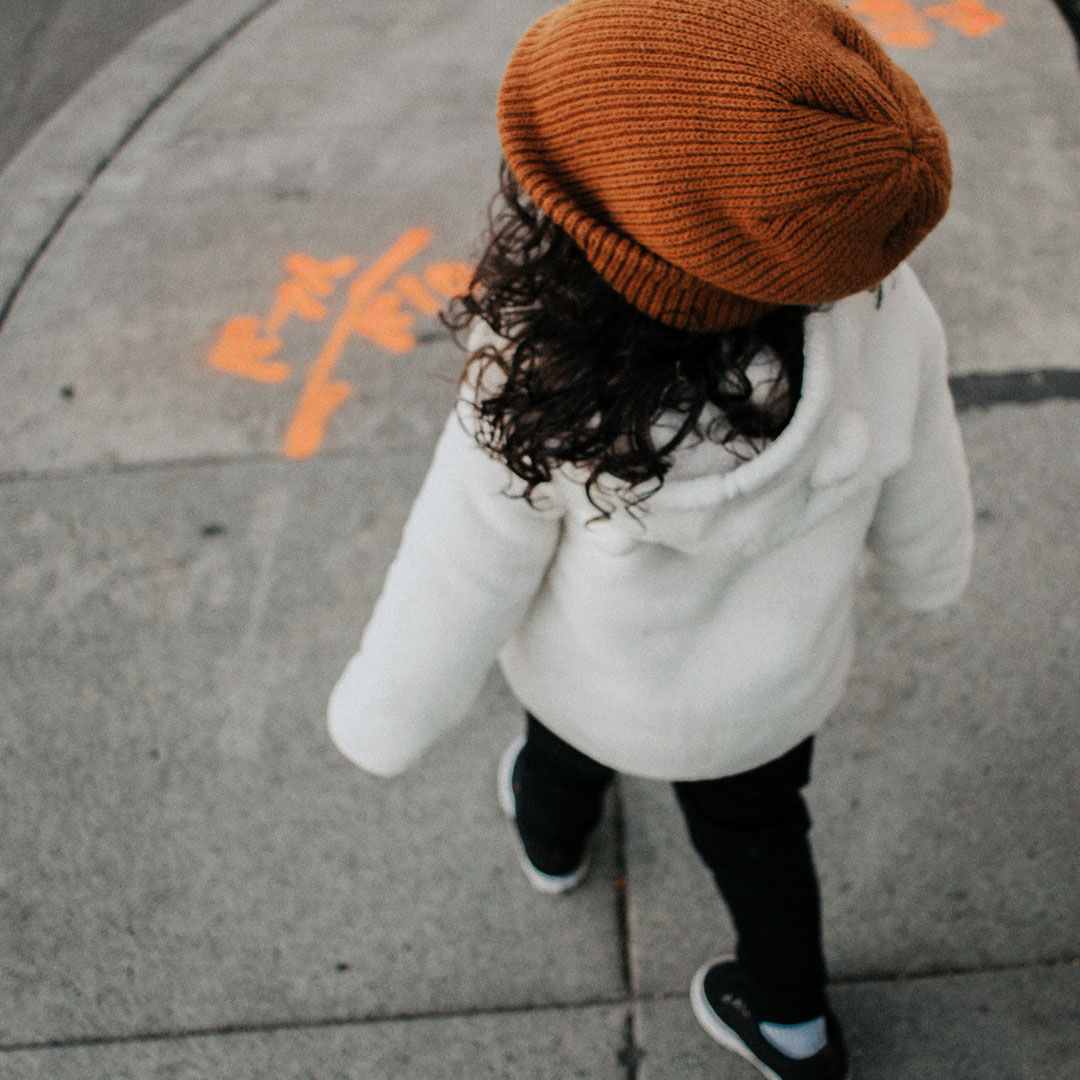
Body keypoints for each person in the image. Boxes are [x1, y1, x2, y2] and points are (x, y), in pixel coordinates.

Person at [327, 1, 974, 1077]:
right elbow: (924, 454)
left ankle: (551, 846)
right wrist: (927, 569)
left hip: (598, 681)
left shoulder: (541, 379)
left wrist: (385, 714)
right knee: (762, 840)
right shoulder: (878, 306)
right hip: (769, 696)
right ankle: (794, 1024)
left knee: (556, 758)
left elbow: (460, 569)